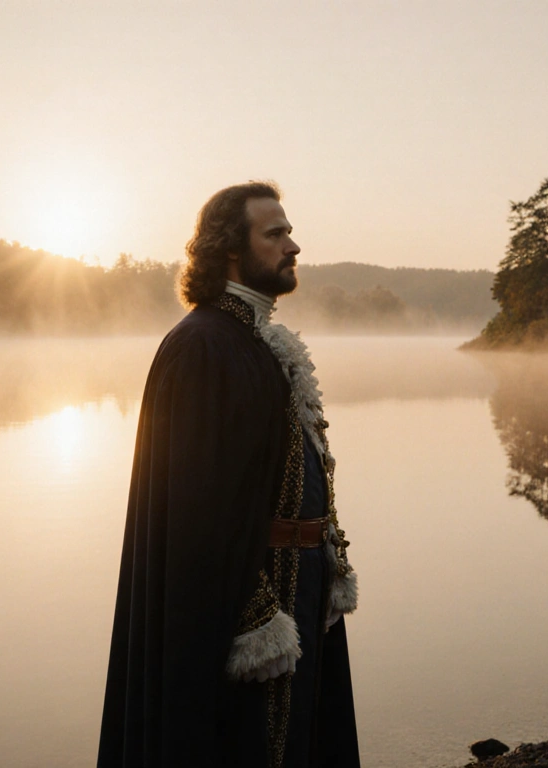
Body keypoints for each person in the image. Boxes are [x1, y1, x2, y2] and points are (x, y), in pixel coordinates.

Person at [97, 181, 360, 768]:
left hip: (304, 584)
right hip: (249, 602)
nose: (293, 246)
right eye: (276, 234)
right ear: (231, 249)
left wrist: (328, 563)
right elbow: (193, 507)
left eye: (289, 232)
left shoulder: (258, 340)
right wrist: (254, 613)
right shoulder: (202, 346)